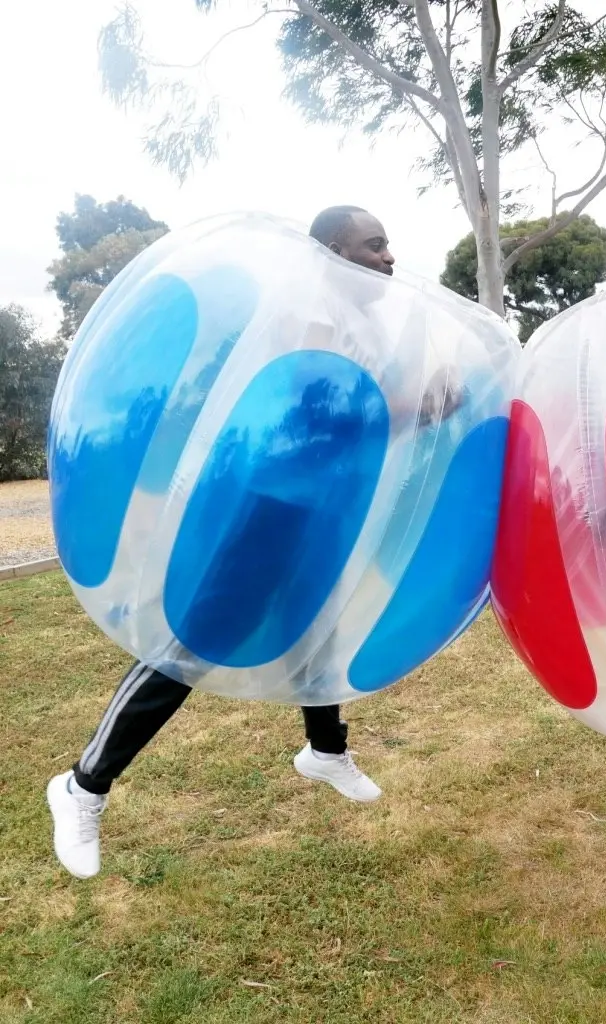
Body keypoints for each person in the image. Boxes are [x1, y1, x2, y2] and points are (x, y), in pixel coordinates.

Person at [47, 206, 405, 880]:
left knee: (319, 632)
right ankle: (82, 785)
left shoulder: (364, 322)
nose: (390, 257)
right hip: (270, 509)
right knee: (190, 649)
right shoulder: (312, 316)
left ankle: (324, 750)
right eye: (375, 245)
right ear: (333, 251)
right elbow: (323, 417)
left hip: (317, 509)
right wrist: (415, 408)